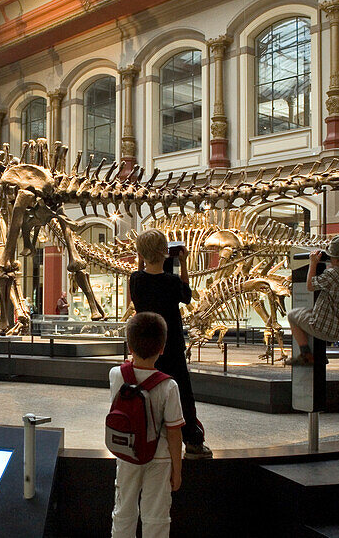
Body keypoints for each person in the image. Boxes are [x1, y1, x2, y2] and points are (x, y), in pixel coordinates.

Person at [129, 229, 211, 459]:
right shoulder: (172, 281)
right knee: (183, 393)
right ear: (166, 252)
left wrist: (140, 259)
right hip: (171, 344)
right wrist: (183, 263)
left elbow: (140, 284)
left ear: (141, 253)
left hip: (146, 346)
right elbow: (187, 295)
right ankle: (193, 441)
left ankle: (147, 439)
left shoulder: (135, 280)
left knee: (148, 391)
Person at [110, 311, 184, 538]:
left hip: (126, 453)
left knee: (123, 511)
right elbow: (174, 432)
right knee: (157, 515)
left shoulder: (116, 375)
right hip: (159, 458)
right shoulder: (169, 386)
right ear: (162, 348)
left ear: (129, 346)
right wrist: (177, 470)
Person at [287, 234, 339, 366]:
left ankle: (306, 354)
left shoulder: (332, 275)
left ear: (336, 260)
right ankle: (320, 355)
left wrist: (313, 263)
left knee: (292, 316)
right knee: (313, 312)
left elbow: (310, 285)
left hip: (323, 329)